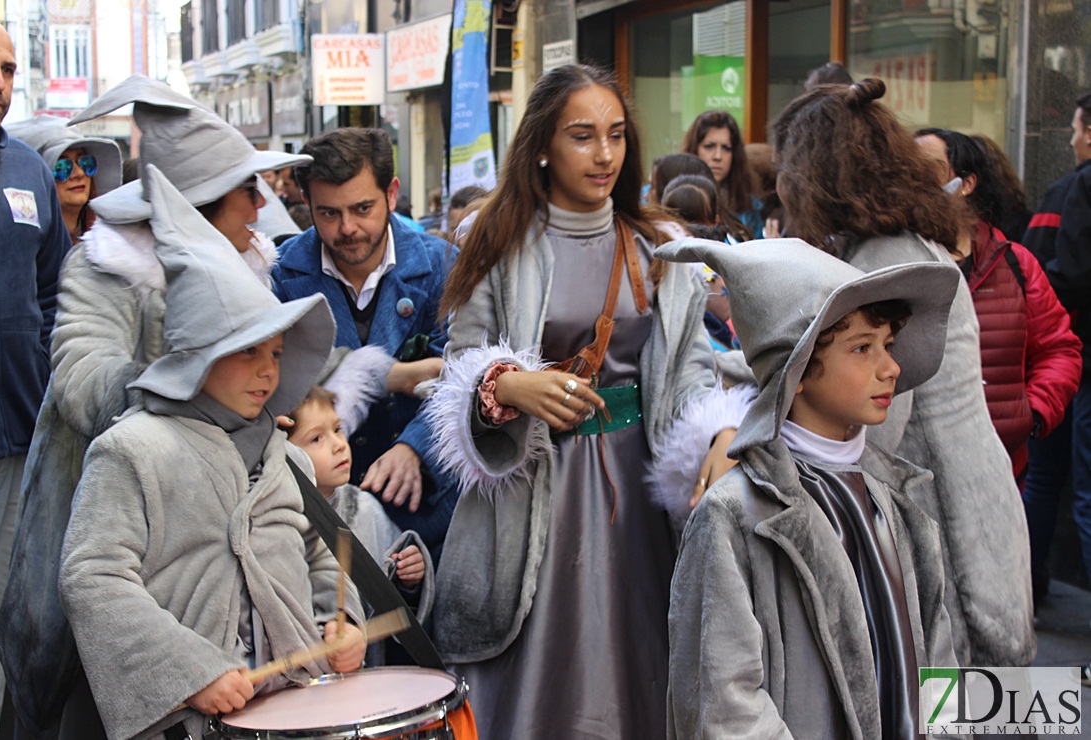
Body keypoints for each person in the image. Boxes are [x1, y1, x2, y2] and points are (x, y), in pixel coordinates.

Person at [0, 75, 313, 739]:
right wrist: (192, 385)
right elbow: (83, 377)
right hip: (114, 508)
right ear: (197, 206)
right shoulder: (106, 265)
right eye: (243, 192)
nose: (259, 207)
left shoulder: (249, 262)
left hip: (219, 538)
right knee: (72, 699)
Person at [425, 63, 739, 739]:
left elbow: (687, 367)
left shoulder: (660, 244)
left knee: (643, 658)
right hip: (534, 488)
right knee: (538, 674)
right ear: (541, 144)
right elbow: (459, 363)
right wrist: (505, 383)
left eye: (617, 135)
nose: (604, 154)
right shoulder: (499, 239)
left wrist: (717, 432)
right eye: (581, 136)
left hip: (639, 486)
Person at [60, 164, 365, 740]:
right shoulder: (131, 450)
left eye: (276, 353)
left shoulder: (288, 457)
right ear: (198, 354)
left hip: (297, 713)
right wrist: (187, 672)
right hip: (192, 721)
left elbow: (325, 559)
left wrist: (340, 621)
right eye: (248, 352)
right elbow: (93, 576)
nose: (268, 370)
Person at [762, 77, 1035, 667]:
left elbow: (874, 419)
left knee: (960, 705)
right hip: (964, 504)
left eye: (788, 165)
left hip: (947, 522)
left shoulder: (889, 261)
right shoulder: (900, 244)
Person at [664, 237, 961, 739]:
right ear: (797, 371)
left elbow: (938, 658)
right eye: (862, 348)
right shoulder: (737, 514)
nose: (890, 367)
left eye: (888, 345)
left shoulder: (896, 497)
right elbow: (723, 699)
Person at [271, 128, 459, 563]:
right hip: (318, 517)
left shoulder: (442, 265)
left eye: (362, 209)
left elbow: (466, 376)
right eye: (329, 213)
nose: (348, 228)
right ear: (307, 205)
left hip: (425, 511)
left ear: (392, 194)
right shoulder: (282, 275)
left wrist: (415, 447)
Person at [0, 14, 72, 733]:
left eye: (9, 69)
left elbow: (57, 295)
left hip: (17, 437)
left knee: (5, 618)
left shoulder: (29, 172)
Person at [915, 128, 1080, 484]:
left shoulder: (1015, 264)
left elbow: (1059, 349)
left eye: (928, 168)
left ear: (967, 183)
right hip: (913, 472)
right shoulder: (893, 263)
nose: (915, 180)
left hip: (999, 470)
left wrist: (1032, 414)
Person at [285, 386, 434, 665]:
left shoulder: (365, 510)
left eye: (338, 429)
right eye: (316, 438)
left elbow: (394, 604)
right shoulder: (276, 522)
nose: (339, 444)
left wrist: (410, 579)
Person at [1022, 90, 1091, 608]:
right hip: (1071, 368)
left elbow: (1060, 283)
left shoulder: (1074, 190)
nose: (1071, 138)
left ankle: (1026, 590)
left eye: (1076, 128)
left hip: (1080, 365)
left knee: (1060, 484)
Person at [6, 114, 122, 244]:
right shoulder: (26, 249)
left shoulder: (110, 243)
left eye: (85, 163)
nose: (79, 173)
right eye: (61, 167)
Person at [681, 109, 764, 238]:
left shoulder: (749, 207)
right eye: (709, 146)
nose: (718, 156)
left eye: (726, 148)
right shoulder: (664, 194)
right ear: (694, 149)